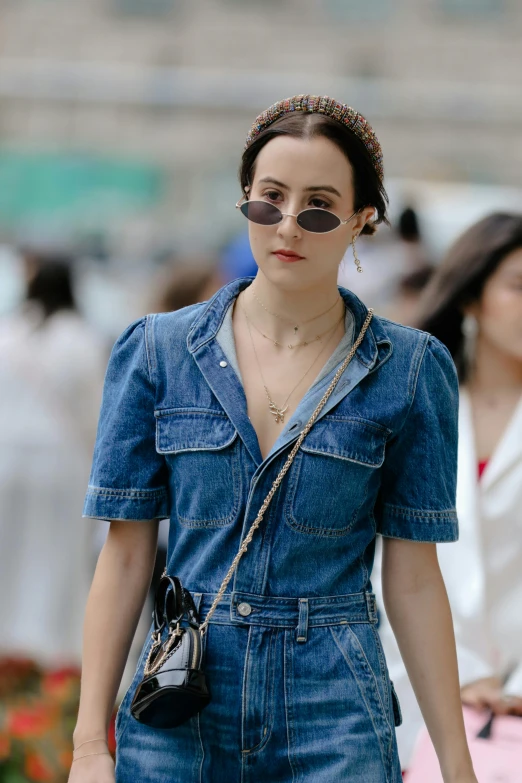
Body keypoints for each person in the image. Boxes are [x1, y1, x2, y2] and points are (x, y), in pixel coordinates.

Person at [69, 95, 478, 783]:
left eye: (318, 205)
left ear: (361, 219)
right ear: (245, 203)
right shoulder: (157, 351)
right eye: (270, 200)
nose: (288, 224)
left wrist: (455, 763)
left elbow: (413, 576)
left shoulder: (409, 369)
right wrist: (88, 744)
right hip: (180, 701)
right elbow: (126, 554)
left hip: (335, 708)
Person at [374, 212, 522, 767]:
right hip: (411, 688)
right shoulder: (412, 407)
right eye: (518, 286)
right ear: (470, 297)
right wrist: (456, 671)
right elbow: (384, 561)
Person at [0, 253, 107, 666]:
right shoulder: (81, 339)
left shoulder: (7, 334)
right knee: (56, 558)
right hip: (62, 464)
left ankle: (9, 644)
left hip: (7, 460)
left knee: (9, 555)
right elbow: (97, 413)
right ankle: (49, 651)